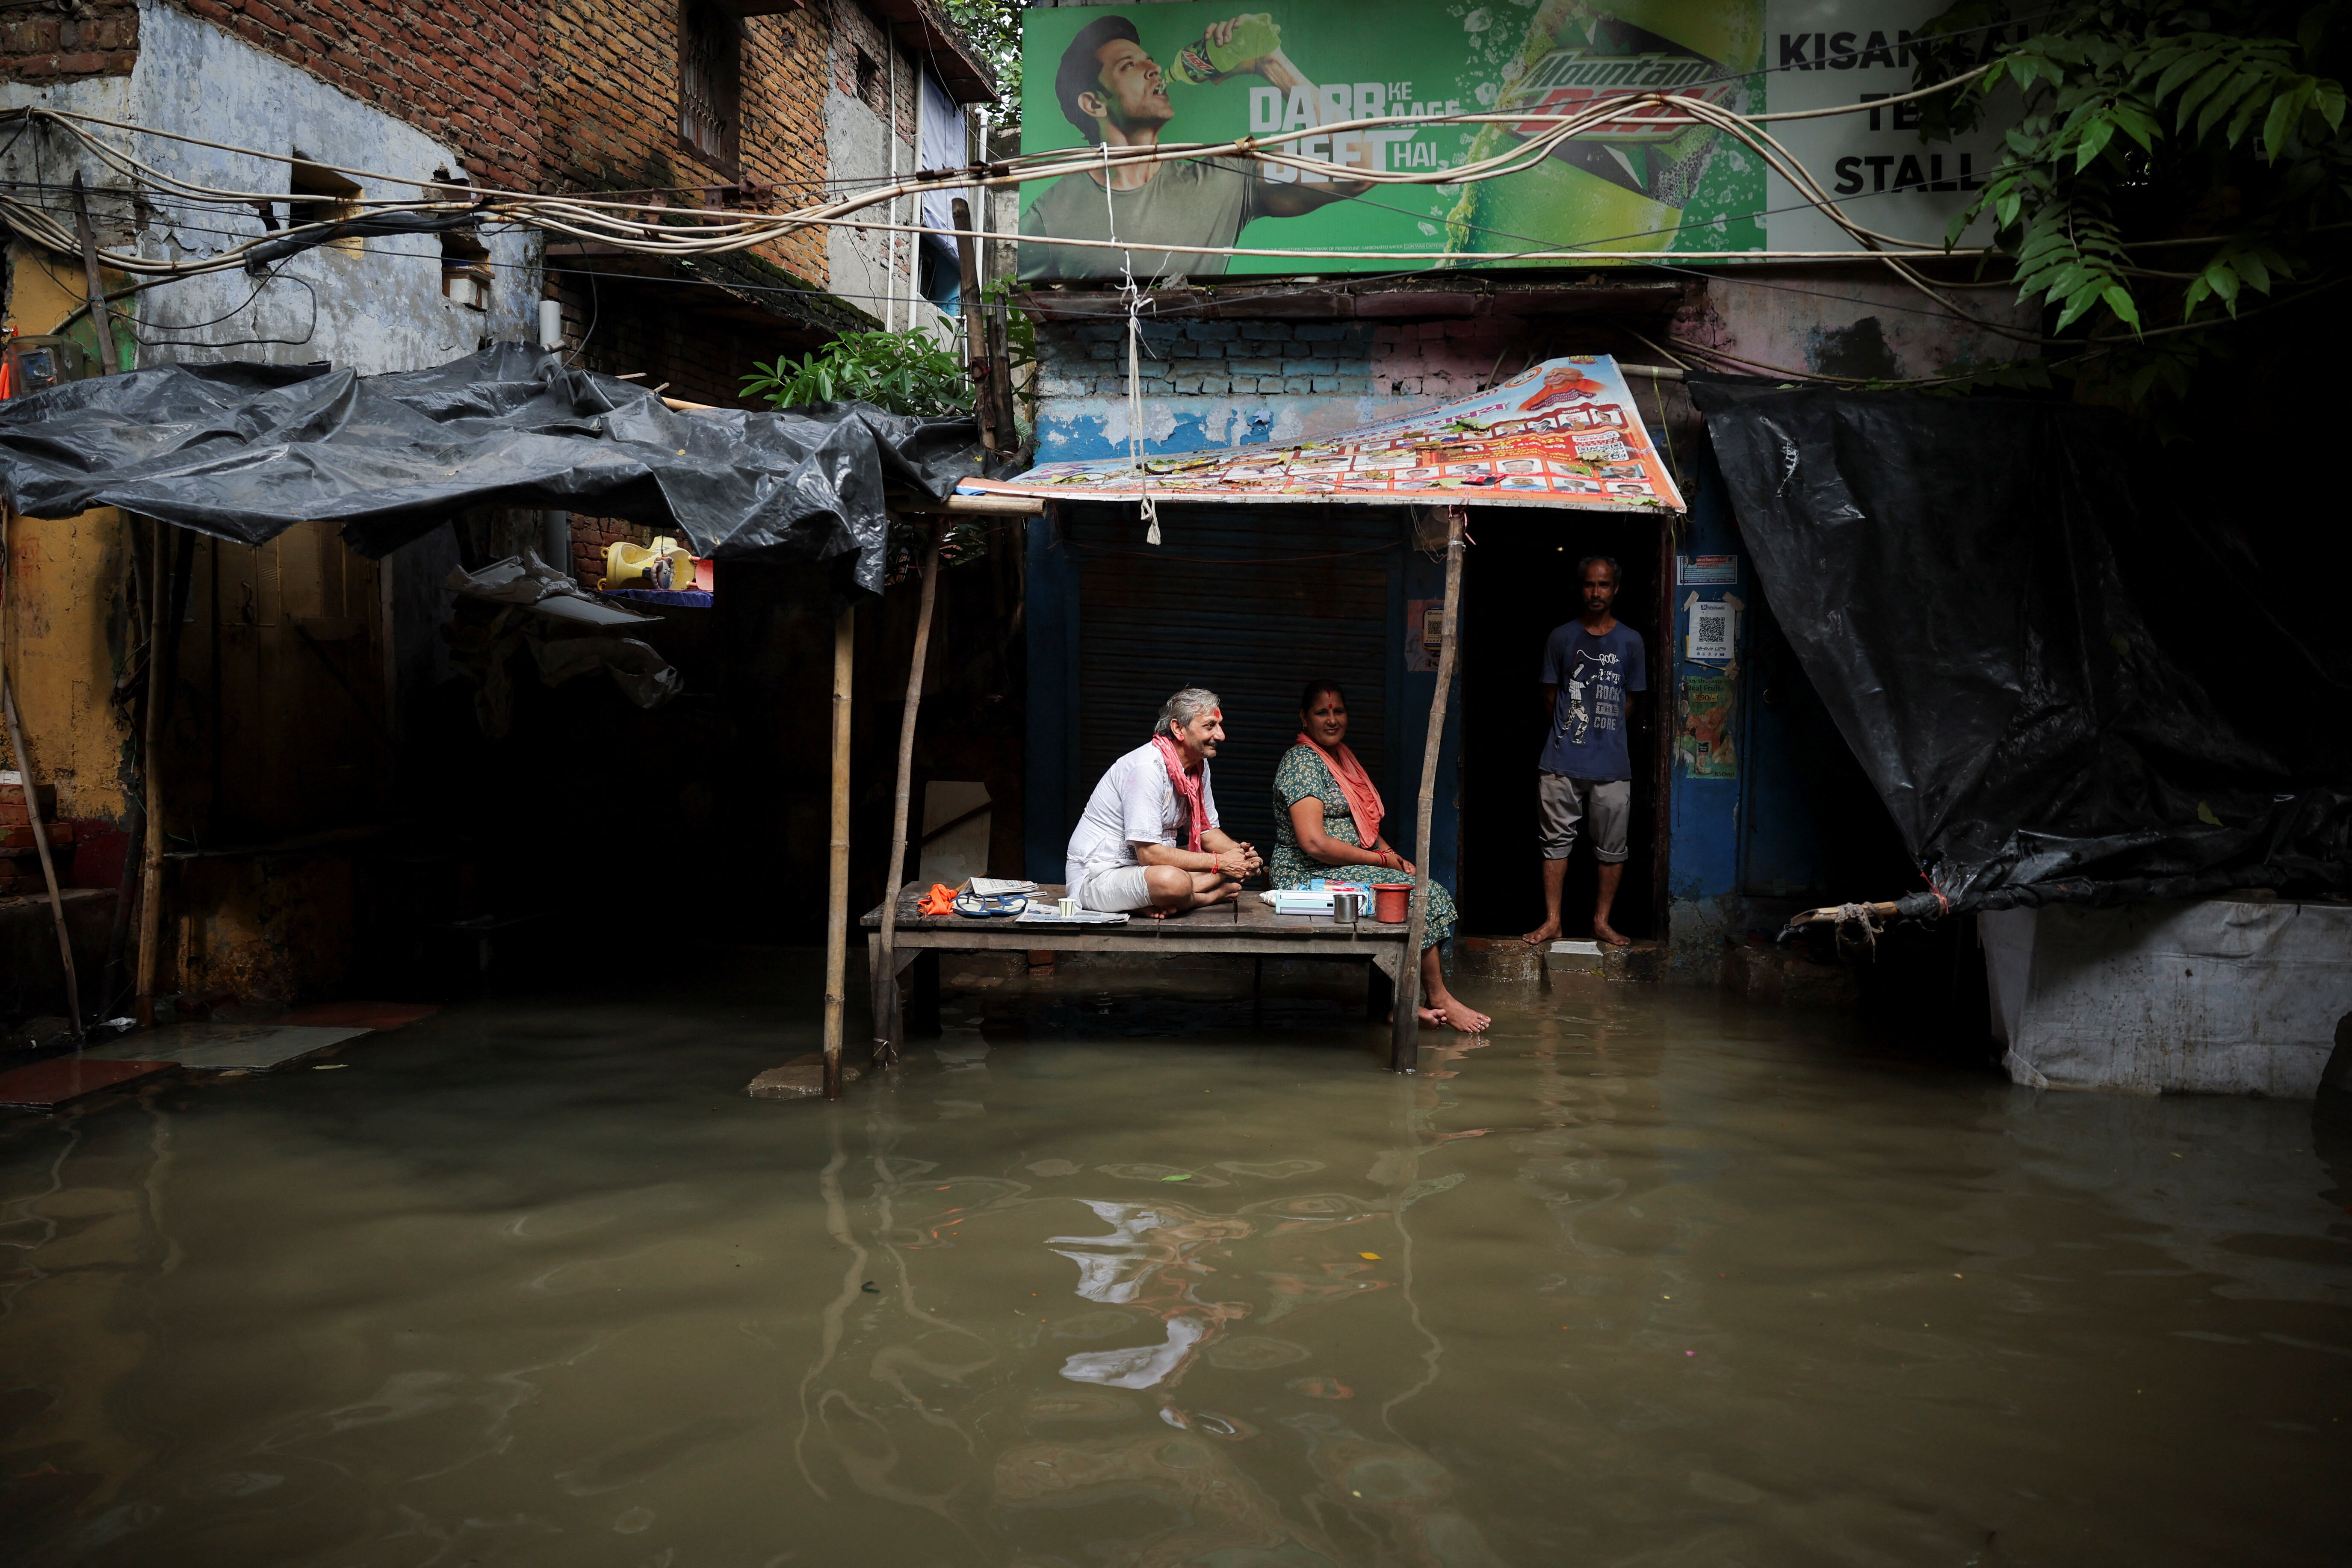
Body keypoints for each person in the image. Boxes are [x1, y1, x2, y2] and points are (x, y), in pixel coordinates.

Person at [1019, 15, 1371, 281]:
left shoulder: (1224, 178)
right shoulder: (1050, 217)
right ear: (1094, 104)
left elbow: (1361, 171)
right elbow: (1021, 308)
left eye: (1149, 59)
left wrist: (1272, 65)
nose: (1155, 68)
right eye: (1130, 65)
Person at [1272, 680, 1491, 1033]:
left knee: (1420, 887)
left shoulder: (1340, 757)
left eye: (1338, 711)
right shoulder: (1302, 762)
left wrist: (1390, 853)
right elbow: (1314, 843)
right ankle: (1437, 997)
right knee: (1424, 895)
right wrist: (1380, 862)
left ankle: (1395, 1006)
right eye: (1322, 712)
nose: (1332, 719)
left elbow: (1361, 822)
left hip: (1347, 867)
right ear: (1304, 718)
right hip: (1306, 874)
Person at [1525, 556, 1646, 948]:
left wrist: (1603, 736)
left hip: (1612, 765)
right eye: (1590, 585)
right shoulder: (1561, 638)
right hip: (1561, 761)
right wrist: (1572, 732)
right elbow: (1549, 695)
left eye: (1605, 585)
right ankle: (1554, 921)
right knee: (1555, 844)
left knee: (1613, 848)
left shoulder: (1631, 641)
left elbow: (1631, 700)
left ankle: (1601, 922)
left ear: (1616, 589)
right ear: (1581, 589)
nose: (1597, 592)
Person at [1066, 686, 1264, 917]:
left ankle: (1160, 899)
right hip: (1099, 875)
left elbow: (1206, 833)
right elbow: (1149, 855)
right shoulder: (1147, 767)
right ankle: (1203, 897)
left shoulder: (1198, 767)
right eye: (1210, 726)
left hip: (1144, 870)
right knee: (1173, 881)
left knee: (1203, 868)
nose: (1220, 735)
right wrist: (1222, 864)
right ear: (1179, 728)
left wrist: (1241, 856)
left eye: (1219, 726)